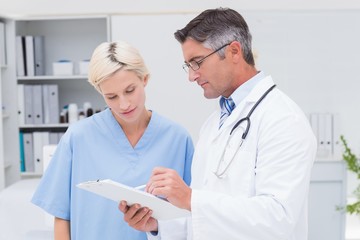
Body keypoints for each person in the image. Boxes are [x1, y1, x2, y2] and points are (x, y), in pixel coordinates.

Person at [119, 7, 317, 240]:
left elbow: (278, 218)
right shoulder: (214, 124)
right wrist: (157, 225)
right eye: (188, 65)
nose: (191, 76)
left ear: (234, 51)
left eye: (197, 62)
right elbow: (206, 220)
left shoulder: (282, 119)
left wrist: (191, 198)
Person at [31, 41, 194, 240]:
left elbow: (192, 213)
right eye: (111, 96)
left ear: (145, 79)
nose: (124, 104)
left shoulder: (177, 139)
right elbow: (61, 216)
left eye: (129, 90)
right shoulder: (78, 138)